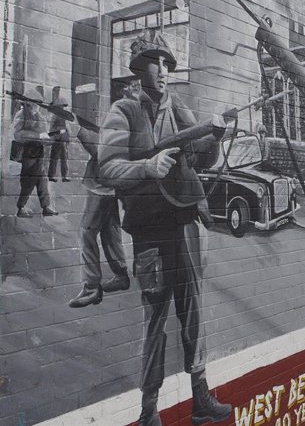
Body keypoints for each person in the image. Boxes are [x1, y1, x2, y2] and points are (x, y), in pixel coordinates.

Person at [98, 29, 231, 426]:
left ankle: (200, 399)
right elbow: (107, 168)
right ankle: (149, 410)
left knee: (193, 311)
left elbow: (202, 160)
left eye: (166, 64)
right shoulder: (123, 111)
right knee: (155, 317)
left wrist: (217, 136)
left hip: (184, 221)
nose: (162, 71)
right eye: (155, 63)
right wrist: (146, 167)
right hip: (150, 229)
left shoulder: (180, 110)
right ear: (139, 69)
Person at [67, 93, 132, 308]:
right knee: (110, 233)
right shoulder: (126, 119)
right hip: (108, 188)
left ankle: (92, 287)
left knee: (87, 234)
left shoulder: (121, 122)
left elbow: (102, 152)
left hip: (101, 187)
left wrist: (79, 132)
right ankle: (121, 275)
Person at [12, 87, 59, 217]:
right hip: (26, 153)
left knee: (42, 180)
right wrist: (37, 136)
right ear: (27, 103)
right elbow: (17, 135)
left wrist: (50, 139)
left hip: (39, 152)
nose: (35, 106)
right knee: (29, 181)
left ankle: (45, 207)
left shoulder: (40, 117)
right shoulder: (21, 115)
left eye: (37, 103)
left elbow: (44, 135)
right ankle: (22, 208)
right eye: (32, 103)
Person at [47, 96, 71, 182]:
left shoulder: (65, 116)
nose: (62, 108)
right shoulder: (54, 116)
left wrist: (68, 137)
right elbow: (51, 128)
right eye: (61, 107)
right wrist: (56, 133)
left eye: (63, 107)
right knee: (54, 158)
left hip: (64, 140)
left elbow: (68, 128)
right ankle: (52, 175)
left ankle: (65, 176)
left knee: (64, 159)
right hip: (57, 139)